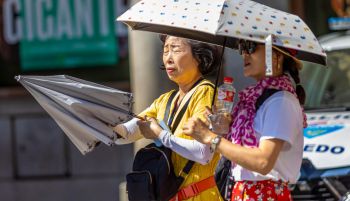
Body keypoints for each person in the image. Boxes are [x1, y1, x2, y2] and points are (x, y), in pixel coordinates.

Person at [183, 40, 307, 201]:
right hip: (245, 193)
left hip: (265, 195)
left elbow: (263, 162)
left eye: (251, 47)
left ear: (276, 56)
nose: (244, 54)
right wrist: (224, 130)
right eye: (242, 48)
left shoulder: (281, 101)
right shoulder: (254, 100)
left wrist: (211, 138)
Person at [113, 35, 224, 200]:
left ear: (198, 57)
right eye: (165, 51)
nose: (168, 58)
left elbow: (203, 153)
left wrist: (160, 134)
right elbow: (125, 134)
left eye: (176, 49)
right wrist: (102, 119)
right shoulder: (164, 100)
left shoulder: (205, 92)